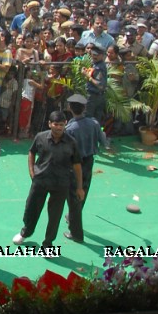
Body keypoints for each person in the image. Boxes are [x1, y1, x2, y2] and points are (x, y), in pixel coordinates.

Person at [13, 111, 83, 249]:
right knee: (31, 208)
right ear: (49, 124)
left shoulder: (71, 142)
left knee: (55, 216)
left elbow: (77, 165)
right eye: (56, 124)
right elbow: (31, 152)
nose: (58, 127)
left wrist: (80, 187)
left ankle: (48, 244)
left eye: (61, 125)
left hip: (61, 184)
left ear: (66, 124)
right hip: (40, 181)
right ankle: (25, 232)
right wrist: (32, 171)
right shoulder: (40, 137)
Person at [63, 94, 108, 244]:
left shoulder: (70, 128)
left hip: (75, 164)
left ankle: (75, 232)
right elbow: (104, 142)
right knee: (84, 191)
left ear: (70, 108)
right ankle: (72, 216)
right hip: (89, 162)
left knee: (74, 195)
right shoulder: (94, 123)